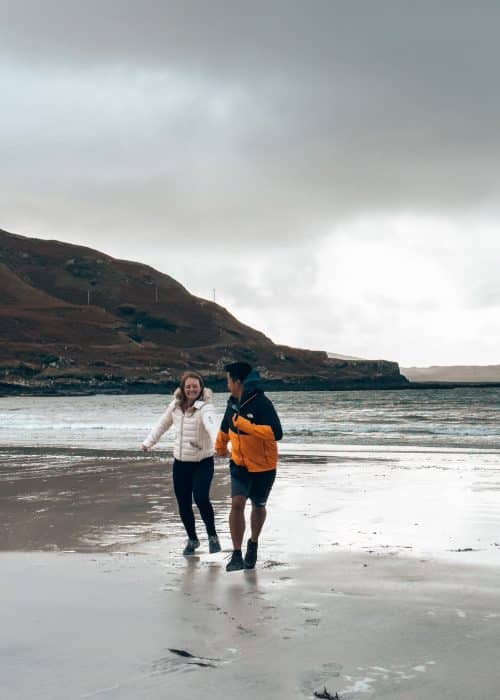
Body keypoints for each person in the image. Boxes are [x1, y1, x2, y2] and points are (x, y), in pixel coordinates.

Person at [141, 371, 221, 556]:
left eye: (195, 386)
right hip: (181, 463)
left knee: (201, 498)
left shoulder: (206, 408)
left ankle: (212, 536)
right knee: (183, 503)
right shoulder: (175, 406)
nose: (192, 389)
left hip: (203, 462)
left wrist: (220, 446)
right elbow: (162, 425)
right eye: (188, 386)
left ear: (201, 388)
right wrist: (148, 442)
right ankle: (192, 539)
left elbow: (213, 428)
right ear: (183, 389)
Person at [215, 361, 283, 571]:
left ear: (237, 382)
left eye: (228, 379)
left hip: (264, 467)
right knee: (237, 502)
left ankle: (252, 543)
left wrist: (247, 426)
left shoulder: (262, 403)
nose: (226, 383)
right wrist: (220, 446)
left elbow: (276, 433)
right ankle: (236, 554)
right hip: (239, 464)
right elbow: (226, 427)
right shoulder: (231, 403)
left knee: (258, 506)